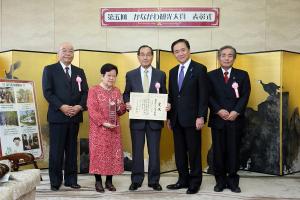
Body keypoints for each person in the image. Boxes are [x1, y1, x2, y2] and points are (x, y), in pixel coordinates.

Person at [42, 42, 88, 191]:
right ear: (58, 54)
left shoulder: (79, 71)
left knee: (71, 150)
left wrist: (79, 107)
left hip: (74, 117)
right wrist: (62, 106)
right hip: (57, 116)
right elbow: (47, 92)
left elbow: (86, 93)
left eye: (71, 51)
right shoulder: (49, 70)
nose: (68, 53)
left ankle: (71, 179)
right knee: (56, 150)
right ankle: (55, 181)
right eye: (64, 51)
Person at [123, 45, 170, 191]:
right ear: (138, 56)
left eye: (148, 54)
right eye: (142, 54)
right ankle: (136, 180)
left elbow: (164, 94)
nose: (145, 57)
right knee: (137, 151)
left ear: (152, 57)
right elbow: (126, 93)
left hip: (155, 121)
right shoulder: (130, 74)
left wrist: (167, 104)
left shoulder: (160, 74)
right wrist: (127, 103)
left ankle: (154, 180)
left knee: (154, 151)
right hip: (137, 121)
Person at [166, 39, 208, 194]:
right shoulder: (172, 71)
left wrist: (201, 116)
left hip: (193, 119)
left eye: (183, 50)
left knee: (194, 152)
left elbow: (204, 96)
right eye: (176, 51)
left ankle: (195, 182)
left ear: (189, 50)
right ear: (173, 54)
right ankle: (182, 180)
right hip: (176, 119)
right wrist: (169, 117)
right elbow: (172, 96)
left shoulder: (199, 69)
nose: (180, 53)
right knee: (180, 152)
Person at [208, 45, 250, 193]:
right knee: (218, 152)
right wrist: (218, 110)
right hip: (218, 119)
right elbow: (208, 96)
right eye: (223, 55)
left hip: (235, 119)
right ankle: (220, 181)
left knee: (233, 151)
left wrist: (236, 111)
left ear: (234, 58)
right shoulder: (210, 75)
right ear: (219, 57)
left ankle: (232, 181)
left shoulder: (243, 75)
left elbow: (245, 95)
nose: (226, 58)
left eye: (230, 55)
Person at [87, 63, 126, 193]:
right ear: (102, 76)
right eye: (109, 75)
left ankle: (109, 181)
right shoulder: (94, 90)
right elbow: (92, 110)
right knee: (98, 154)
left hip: (114, 129)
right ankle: (98, 181)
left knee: (112, 154)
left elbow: (120, 111)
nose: (111, 78)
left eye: (114, 76)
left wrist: (123, 106)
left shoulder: (117, 91)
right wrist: (103, 123)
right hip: (98, 129)